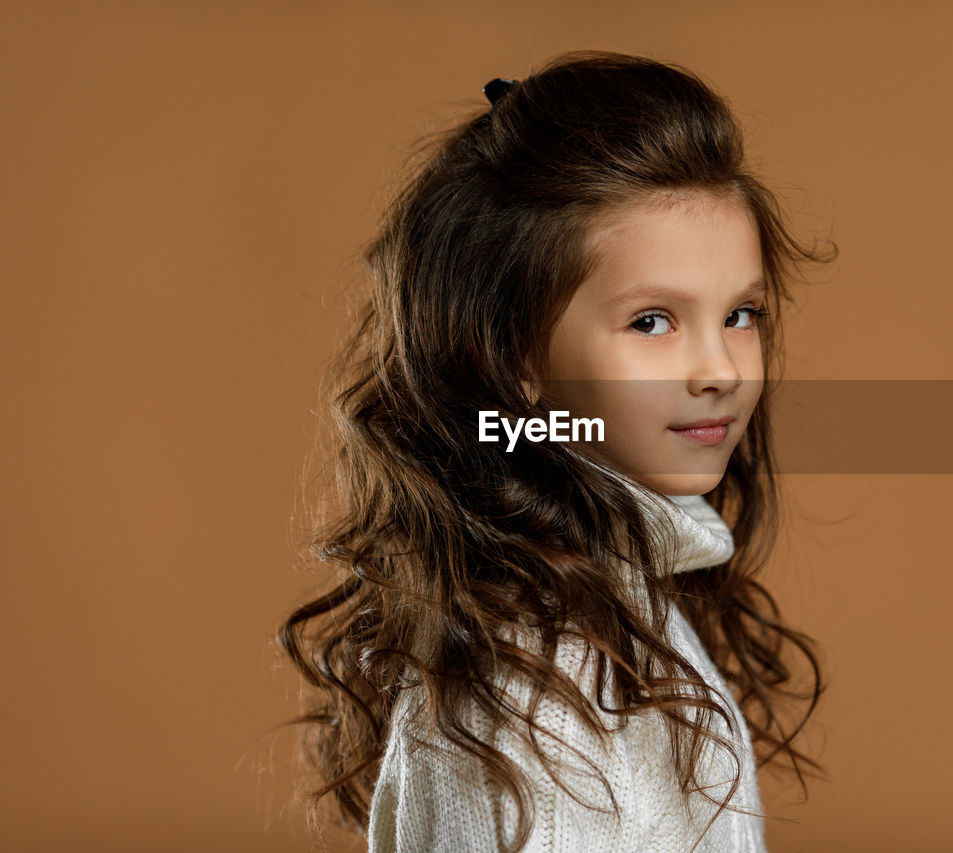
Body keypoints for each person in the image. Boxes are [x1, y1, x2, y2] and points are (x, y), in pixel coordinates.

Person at [277, 49, 835, 853]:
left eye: (741, 314)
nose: (719, 370)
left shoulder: (617, 600)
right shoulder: (538, 677)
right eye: (653, 321)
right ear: (519, 356)